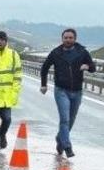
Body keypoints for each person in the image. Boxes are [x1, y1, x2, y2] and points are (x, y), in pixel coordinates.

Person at [40, 28, 95, 157]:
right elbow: (45, 68)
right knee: (64, 119)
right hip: (61, 90)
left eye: (70, 38)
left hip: (77, 91)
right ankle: (67, 146)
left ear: (75, 39)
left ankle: (60, 139)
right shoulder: (56, 53)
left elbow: (93, 67)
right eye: (66, 38)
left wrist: (87, 66)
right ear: (62, 39)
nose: (68, 40)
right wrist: (43, 85)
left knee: (71, 119)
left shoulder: (82, 52)